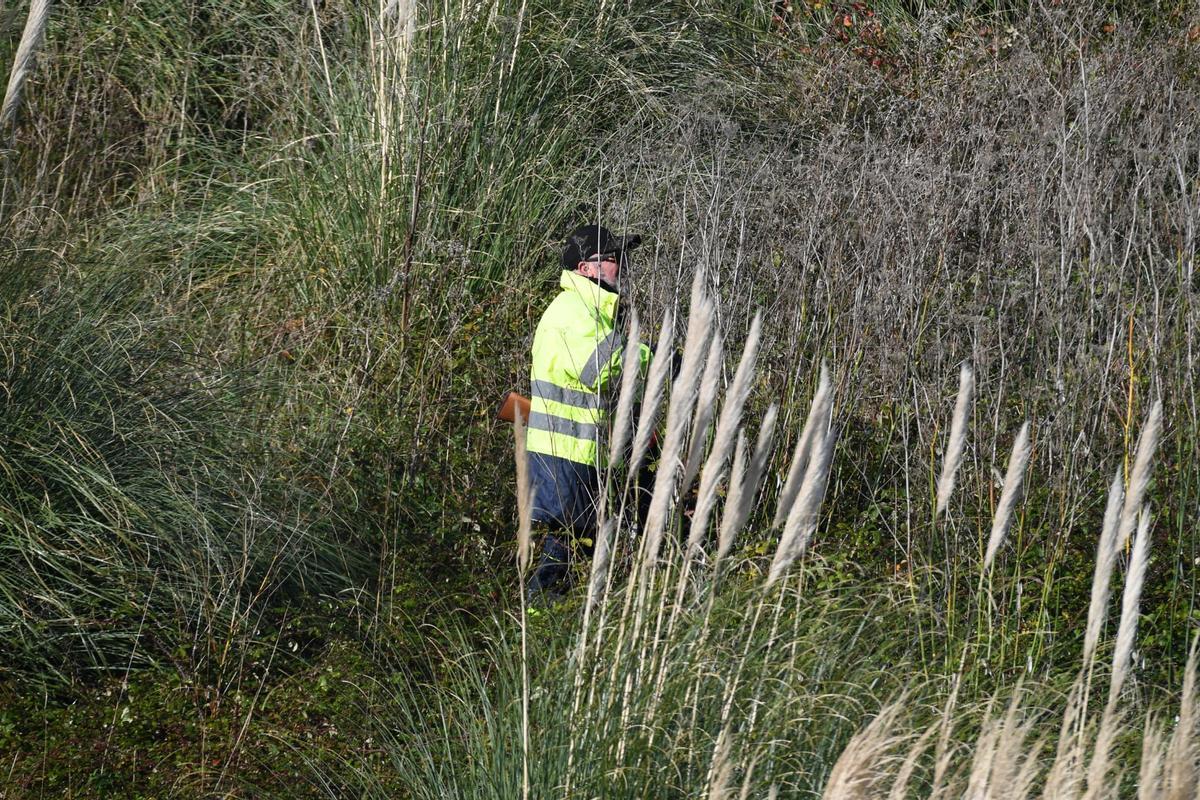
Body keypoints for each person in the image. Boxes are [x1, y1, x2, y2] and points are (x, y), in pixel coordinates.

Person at [525, 223, 651, 606]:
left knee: (572, 546)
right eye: (613, 258)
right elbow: (596, 368)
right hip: (564, 455)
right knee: (563, 550)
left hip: (576, 453)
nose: (621, 266)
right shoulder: (573, 312)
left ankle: (551, 619)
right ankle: (542, 620)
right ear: (585, 268)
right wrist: (655, 356)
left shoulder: (590, 310)